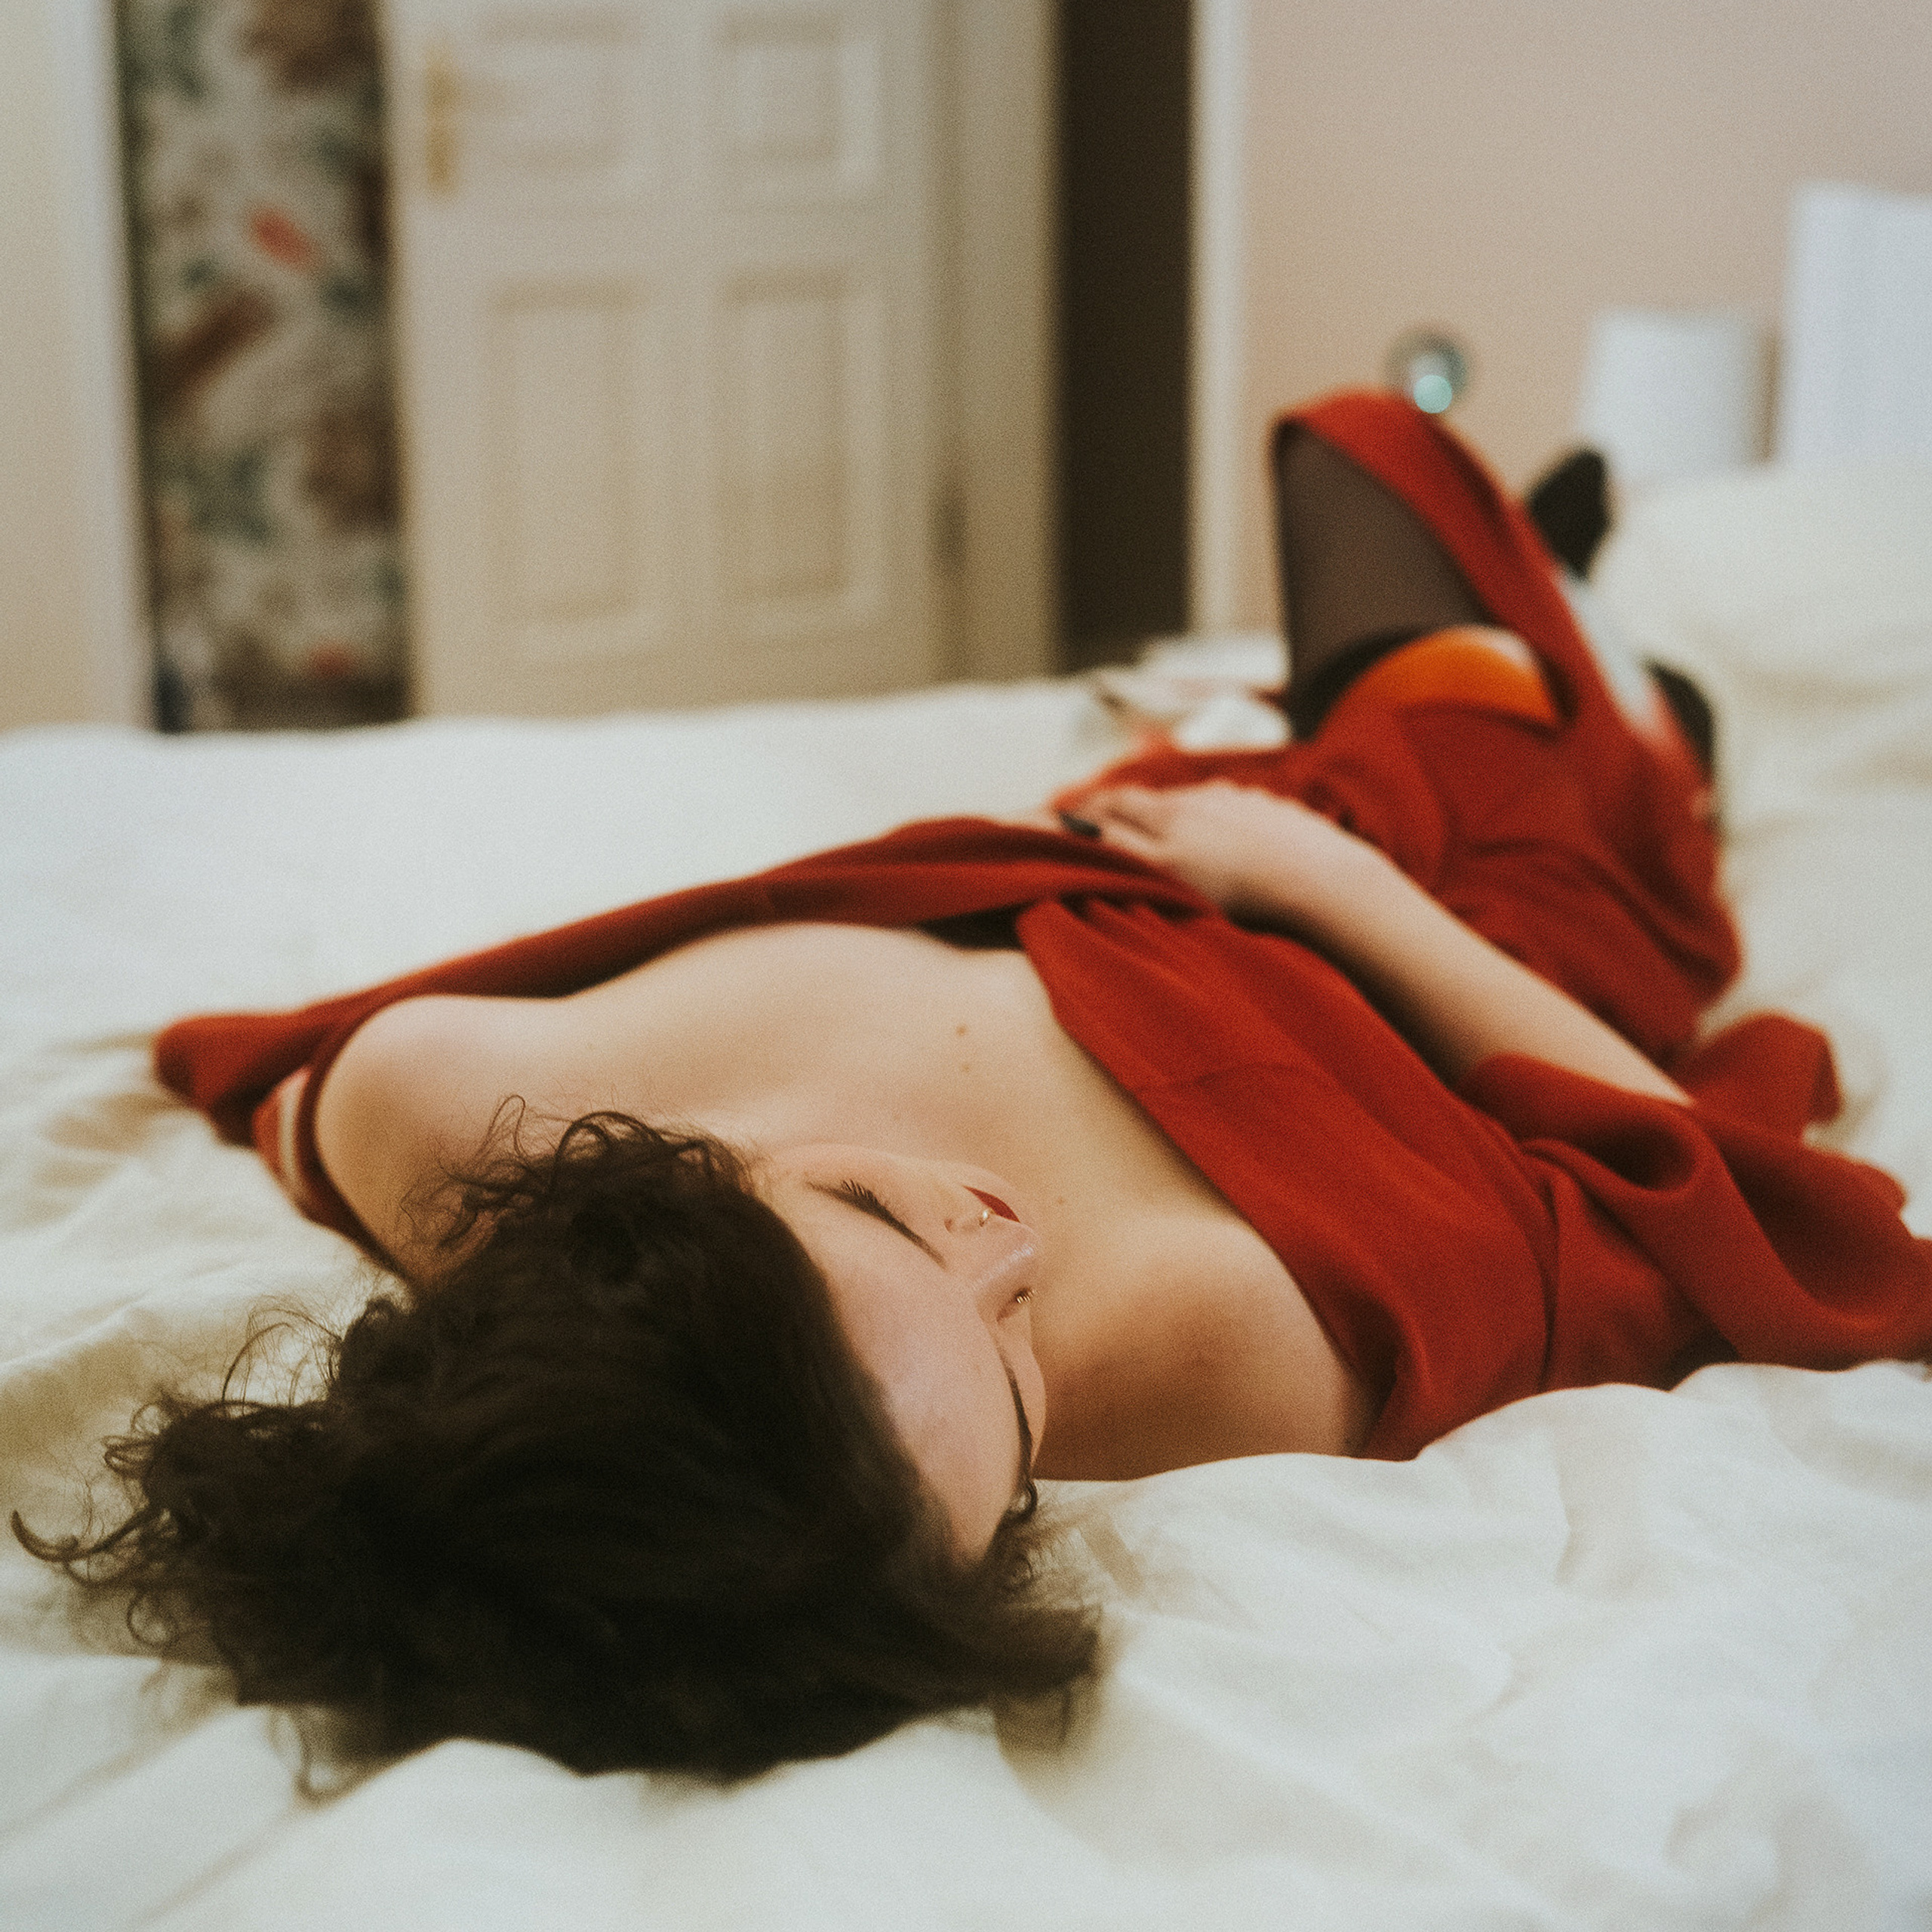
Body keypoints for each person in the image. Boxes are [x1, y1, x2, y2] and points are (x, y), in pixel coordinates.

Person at [21, 393, 1929, 1785]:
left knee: (1350, 451)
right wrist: (1332, 888)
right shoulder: (1212, 1344)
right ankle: (1630, 699)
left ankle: (1551, 639)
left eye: (872, 1209)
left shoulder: (436, 1103)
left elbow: (310, 1098)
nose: (1004, 1249)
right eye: (1017, 1420)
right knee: (1465, 625)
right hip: (1422, 921)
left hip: (1172, 838)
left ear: (637, 1202)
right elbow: (1690, 1173)